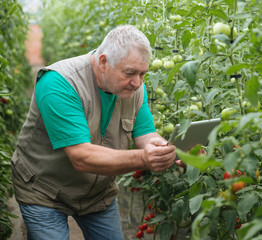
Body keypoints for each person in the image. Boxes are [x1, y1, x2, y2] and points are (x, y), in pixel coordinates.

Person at [11, 25, 178, 240]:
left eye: (143, 74)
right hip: (45, 191)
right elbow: (81, 157)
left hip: (97, 194)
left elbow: (146, 134)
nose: (138, 82)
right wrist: (144, 158)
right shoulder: (59, 82)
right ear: (103, 62)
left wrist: (169, 150)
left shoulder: (134, 88)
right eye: (130, 73)